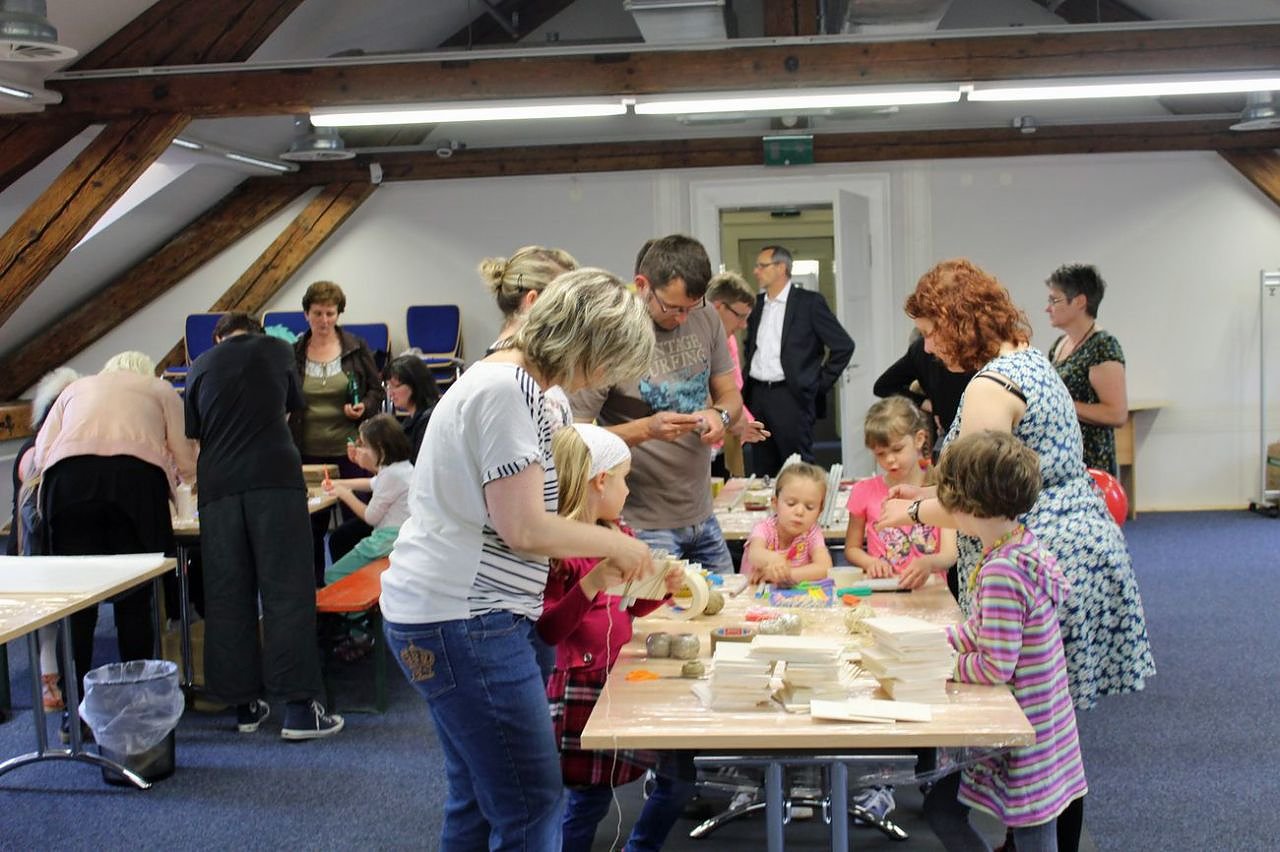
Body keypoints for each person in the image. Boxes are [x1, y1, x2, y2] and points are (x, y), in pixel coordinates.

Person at [879, 258, 1154, 851]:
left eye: (931, 332)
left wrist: (915, 512)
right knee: (1056, 727)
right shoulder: (1026, 358)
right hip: (1074, 543)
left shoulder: (989, 386)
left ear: (959, 323)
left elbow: (978, 497)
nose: (928, 348)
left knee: (1036, 729)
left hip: (1041, 546)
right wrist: (924, 494)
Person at [380, 269, 657, 850]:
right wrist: (617, 544)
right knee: (532, 803)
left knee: (480, 797)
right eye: (607, 362)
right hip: (466, 618)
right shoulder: (507, 391)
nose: (603, 377)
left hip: (451, 613)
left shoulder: (515, 386)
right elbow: (524, 528)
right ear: (586, 343)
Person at [923, 430, 1087, 852]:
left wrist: (935, 666)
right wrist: (932, 641)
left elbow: (995, 665)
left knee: (1008, 827)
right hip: (1042, 723)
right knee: (958, 812)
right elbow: (985, 630)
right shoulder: (1018, 545)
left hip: (1021, 728)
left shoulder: (1001, 570)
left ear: (965, 501)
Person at [185, 312, 342, 740]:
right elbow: (291, 410)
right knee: (286, 592)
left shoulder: (199, 365)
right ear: (258, 331)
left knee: (226, 594)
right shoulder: (279, 350)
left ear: (218, 337)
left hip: (217, 486)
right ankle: (299, 710)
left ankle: (244, 707)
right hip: (274, 477)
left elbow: (195, 433)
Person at [537, 423, 690, 852]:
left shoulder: (619, 534)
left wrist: (662, 589)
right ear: (600, 481)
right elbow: (549, 630)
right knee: (590, 799)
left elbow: (630, 605)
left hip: (622, 679)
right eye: (625, 478)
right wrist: (591, 583)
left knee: (678, 779)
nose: (628, 489)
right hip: (581, 686)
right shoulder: (557, 548)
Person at [31, 350, 197, 740]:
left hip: (67, 485)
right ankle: (133, 706)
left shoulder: (75, 389)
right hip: (133, 484)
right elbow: (185, 455)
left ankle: (75, 712)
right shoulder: (159, 389)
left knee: (79, 603)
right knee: (133, 597)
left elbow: (41, 453)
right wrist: (187, 486)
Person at [570, 234, 742, 575]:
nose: (682, 318)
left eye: (691, 307)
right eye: (672, 307)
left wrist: (719, 415)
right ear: (642, 285)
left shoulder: (706, 316)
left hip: (702, 515)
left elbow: (730, 396)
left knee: (729, 604)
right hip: (642, 523)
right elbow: (575, 439)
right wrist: (646, 429)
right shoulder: (610, 336)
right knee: (656, 611)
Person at [288, 280, 385, 583]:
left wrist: (364, 407)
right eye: (317, 313)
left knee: (357, 523)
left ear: (338, 314)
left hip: (350, 451)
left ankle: (361, 587)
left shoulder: (355, 347)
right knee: (309, 528)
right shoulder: (294, 353)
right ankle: (316, 591)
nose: (324, 321)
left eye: (330, 313)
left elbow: (376, 391)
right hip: (307, 452)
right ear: (306, 314)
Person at [743, 244, 855, 474]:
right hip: (757, 394)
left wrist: (818, 383)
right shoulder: (756, 304)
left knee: (796, 465)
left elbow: (843, 345)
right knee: (762, 464)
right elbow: (751, 346)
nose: (756, 271)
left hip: (791, 395)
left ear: (781, 268)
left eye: (762, 266)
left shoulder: (809, 303)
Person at [10, 366, 79, 712]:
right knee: (50, 617)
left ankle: (56, 680)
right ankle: (51, 683)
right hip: (37, 548)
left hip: (45, 542)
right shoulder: (39, 450)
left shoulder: (42, 445)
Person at [845, 397, 957, 590]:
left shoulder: (939, 489)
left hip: (931, 592)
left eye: (897, 449)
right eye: (880, 454)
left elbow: (950, 554)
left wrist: (928, 563)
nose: (889, 459)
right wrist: (871, 563)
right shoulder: (863, 491)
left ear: (919, 439)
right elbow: (852, 548)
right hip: (883, 590)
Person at [1046, 264, 1127, 476]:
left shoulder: (1103, 346)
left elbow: (1117, 414)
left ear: (1080, 301)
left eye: (1054, 300)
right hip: (1065, 459)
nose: (1048, 308)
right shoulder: (1059, 345)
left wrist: (1063, 404)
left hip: (1092, 466)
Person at [323, 414, 413, 586]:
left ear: (380, 449)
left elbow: (370, 517)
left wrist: (344, 494)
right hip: (399, 535)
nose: (360, 450)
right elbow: (371, 483)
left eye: (364, 445)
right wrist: (338, 483)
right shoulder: (400, 467)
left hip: (386, 540)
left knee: (333, 576)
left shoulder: (391, 475)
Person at [707, 271, 770, 478]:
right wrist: (734, 421)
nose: (743, 325)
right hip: (702, 441)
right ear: (718, 306)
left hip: (725, 438)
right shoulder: (697, 340)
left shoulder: (729, 340)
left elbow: (733, 389)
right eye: (740, 316)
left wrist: (745, 421)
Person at [873, 330, 974, 453]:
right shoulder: (921, 352)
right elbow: (883, 386)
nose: (927, 348)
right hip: (949, 438)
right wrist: (927, 404)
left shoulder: (973, 349)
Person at [741, 462, 833, 585]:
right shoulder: (764, 528)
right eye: (791, 504)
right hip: (752, 593)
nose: (799, 512)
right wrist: (774, 560)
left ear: (819, 511)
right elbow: (755, 553)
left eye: (809, 507)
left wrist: (785, 575)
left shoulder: (812, 533)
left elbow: (825, 567)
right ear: (775, 503)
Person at [384, 354, 441, 460]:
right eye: (388, 386)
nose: (390, 393)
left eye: (396, 386)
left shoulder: (428, 420)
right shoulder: (410, 420)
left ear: (415, 384)